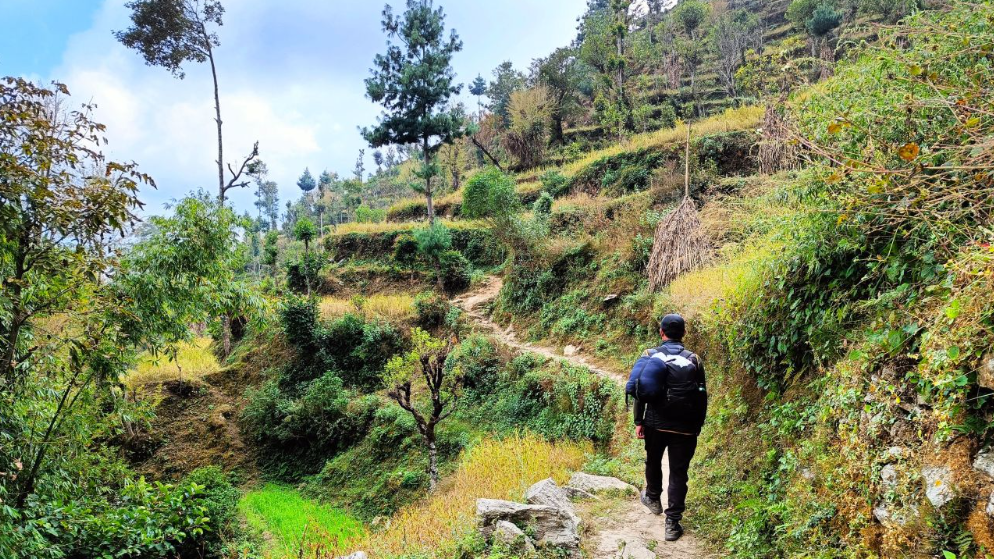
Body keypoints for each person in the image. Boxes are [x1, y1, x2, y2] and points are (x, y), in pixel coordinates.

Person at [629, 314, 707, 542]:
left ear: (662, 332)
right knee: (679, 473)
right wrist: (697, 424)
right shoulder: (694, 359)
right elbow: (702, 395)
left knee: (653, 460)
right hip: (685, 427)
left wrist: (639, 421)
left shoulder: (650, 355)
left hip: (655, 423)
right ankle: (672, 523)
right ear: (683, 333)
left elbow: (641, 392)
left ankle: (653, 498)